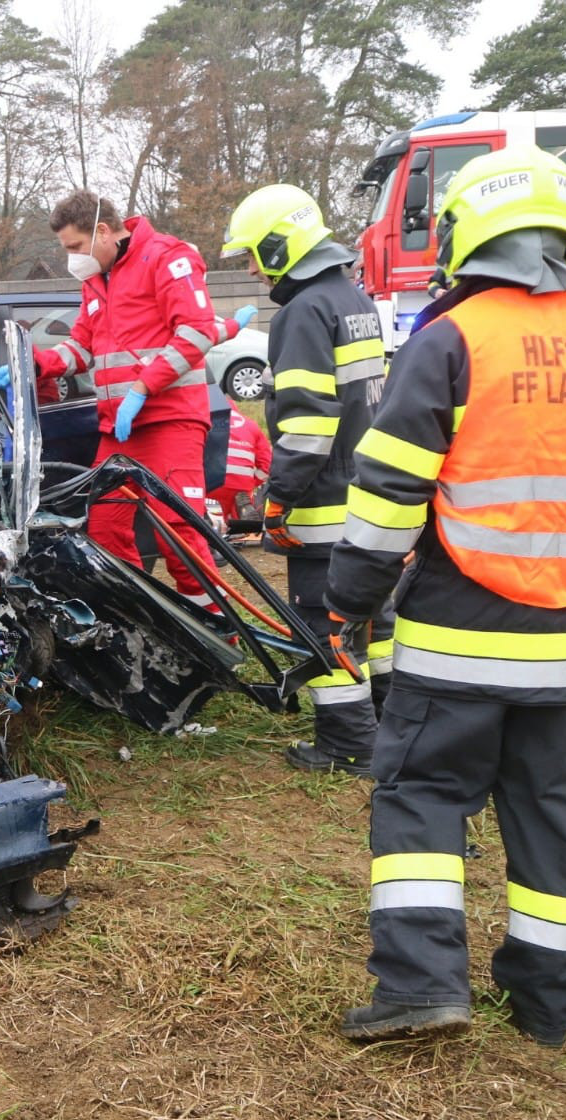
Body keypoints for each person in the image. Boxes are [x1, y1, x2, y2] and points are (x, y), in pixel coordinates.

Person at [326, 146, 566, 1046]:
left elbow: (388, 491)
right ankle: (547, 1007)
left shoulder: (451, 337)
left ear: (468, 233)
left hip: (455, 641)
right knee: (559, 819)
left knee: (421, 803)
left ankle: (420, 988)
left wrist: (352, 599)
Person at [8, 190, 252, 607]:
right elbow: (81, 349)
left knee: (177, 532)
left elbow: (194, 333)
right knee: (104, 529)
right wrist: (31, 364)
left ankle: (217, 633)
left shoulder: (166, 257)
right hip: (121, 429)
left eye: (75, 247)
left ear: (102, 231)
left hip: (171, 419)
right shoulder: (95, 280)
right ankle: (140, 619)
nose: (72, 259)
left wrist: (142, 388)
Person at [220, 184, 391, 773]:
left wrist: (279, 496)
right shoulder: (354, 299)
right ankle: (391, 722)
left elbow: (311, 424)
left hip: (324, 503)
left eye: (251, 254)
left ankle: (348, 744)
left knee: (323, 620)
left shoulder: (302, 311)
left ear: (277, 245)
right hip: (373, 494)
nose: (249, 267)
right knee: (377, 617)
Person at [206, 395, 271, 525]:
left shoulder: (205, 421)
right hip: (242, 484)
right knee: (236, 508)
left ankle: (211, 523)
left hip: (211, 482)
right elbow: (267, 465)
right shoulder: (251, 425)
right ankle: (241, 517)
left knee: (209, 509)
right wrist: (252, 483)